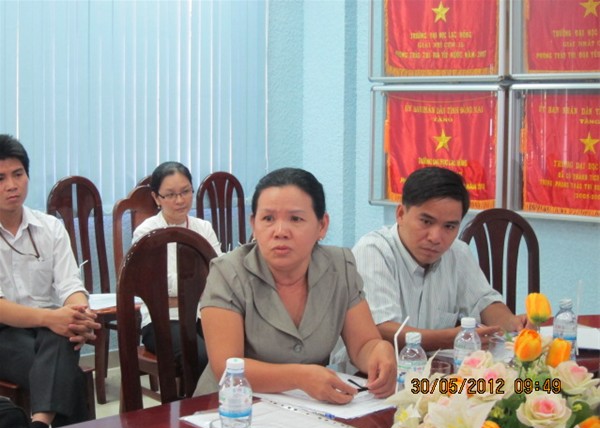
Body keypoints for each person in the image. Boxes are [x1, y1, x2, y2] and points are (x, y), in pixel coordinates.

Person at [194, 167, 396, 404]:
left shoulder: (340, 266)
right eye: (268, 219)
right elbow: (227, 366)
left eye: (296, 219)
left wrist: (379, 351)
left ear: (322, 225)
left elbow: (363, 345)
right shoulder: (227, 272)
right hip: (229, 408)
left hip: (309, 409)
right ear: (254, 224)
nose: (280, 232)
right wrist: (299, 378)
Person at [332, 166, 526, 366]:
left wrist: (514, 324)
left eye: (449, 226)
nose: (436, 237)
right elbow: (381, 330)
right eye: (426, 221)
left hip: (428, 372)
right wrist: (452, 338)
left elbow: (484, 302)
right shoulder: (373, 251)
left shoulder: (457, 253)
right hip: (364, 375)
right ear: (401, 214)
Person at [0, 134, 100, 428]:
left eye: (18, 174)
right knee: (69, 375)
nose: (11, 185)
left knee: (61, 336)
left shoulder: (50, 227)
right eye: (1, 178)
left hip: (50, 330)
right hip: (4, 333)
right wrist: (53, 319)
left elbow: (71, 286)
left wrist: (79, 315)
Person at [132, 161, 222, 374]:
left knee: (234, 350)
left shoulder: (203, 228)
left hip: (204, 313)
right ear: (156, 198)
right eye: (171, 195)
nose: (180, 200)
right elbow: (153, 288)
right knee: (201, 357)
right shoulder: (146, 233)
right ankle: (194, 397)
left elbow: (219, 276)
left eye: (185, 192)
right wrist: (197, 287)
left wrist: (181, 291)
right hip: (162, 319)